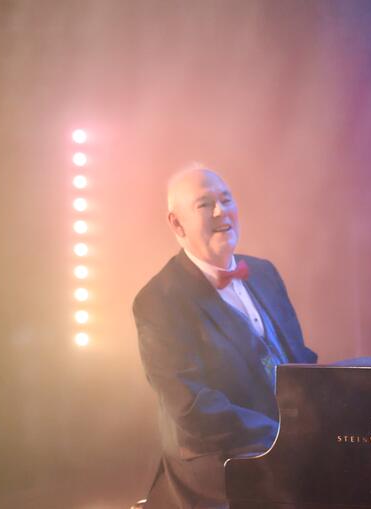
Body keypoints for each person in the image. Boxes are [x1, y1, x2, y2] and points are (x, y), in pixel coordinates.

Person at [133, 167, 317, 509]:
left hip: (288, 438)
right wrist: (281, 436)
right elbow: (192, 407)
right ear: (176, 224)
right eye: (204, 205)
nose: (221, 211)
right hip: (219, 456)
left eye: (226, 199)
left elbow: (298, 360)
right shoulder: (158, 299)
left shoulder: (263, 271)